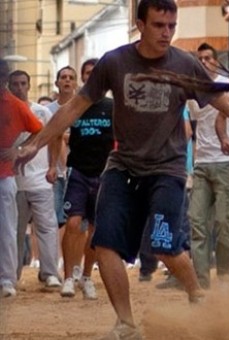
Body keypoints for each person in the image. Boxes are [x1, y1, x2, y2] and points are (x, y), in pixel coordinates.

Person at [11, 1, 229, 337]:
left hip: (167, 170)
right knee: (106, 243)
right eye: (159, 25)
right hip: (122, 167)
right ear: (140, 24)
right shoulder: (115, 62)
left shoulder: (185, 64)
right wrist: (36, 142)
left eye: (171, 25)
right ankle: (125, 322)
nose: (167, 33)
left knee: (164, 243)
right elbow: (75, 107)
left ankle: (198, 297)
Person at [58, 58, 114, 300]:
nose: (92, 76)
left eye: (96, 73)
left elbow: (122, 139)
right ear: (83, 77)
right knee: (73, 224)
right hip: (78, 171)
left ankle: (87, 277)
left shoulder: (112, 107)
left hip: (103, 173)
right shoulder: (75, 105)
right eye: (88, 73)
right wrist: (55, 164)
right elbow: (56, 133)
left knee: (95, 229)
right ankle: (69, 277)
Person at [187, 42, 229, 288]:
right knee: (196, 222)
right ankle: (201, 283)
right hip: (201, 162)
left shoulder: (228, 86)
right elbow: (193, 128)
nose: (204, 62)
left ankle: (228, 280)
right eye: (200, 59)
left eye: (208, 58)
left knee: (223, 222)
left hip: (226, 161)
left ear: (216, 61)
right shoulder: (192, 92)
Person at [7, 70, 62, 288]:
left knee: (47, 226)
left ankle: (49, 272)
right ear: (9, 86)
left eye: (23, 83)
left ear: (29, 85)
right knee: (15, 230)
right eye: (15, 84)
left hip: (40, 179)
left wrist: (52, 165)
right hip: (14, 181)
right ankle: (13, 274)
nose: (19, 88)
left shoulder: (42, 112)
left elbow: (56, 137)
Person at [0, 59, 44, 298]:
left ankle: (7, 279)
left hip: (4, 176)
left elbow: (39, 130)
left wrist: (19, 151)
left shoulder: (15, 105)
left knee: (7, 229)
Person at [46, 66, 78, 229]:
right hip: (52, 171)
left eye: (71, 78)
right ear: (56, 83)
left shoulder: (82, 108)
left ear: (75, 83)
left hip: (77, 170)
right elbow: (45, 137)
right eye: (64, 77)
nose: (67, 80)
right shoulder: (47, 111)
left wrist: (64, 136)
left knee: (75, 219)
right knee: (52, 219)